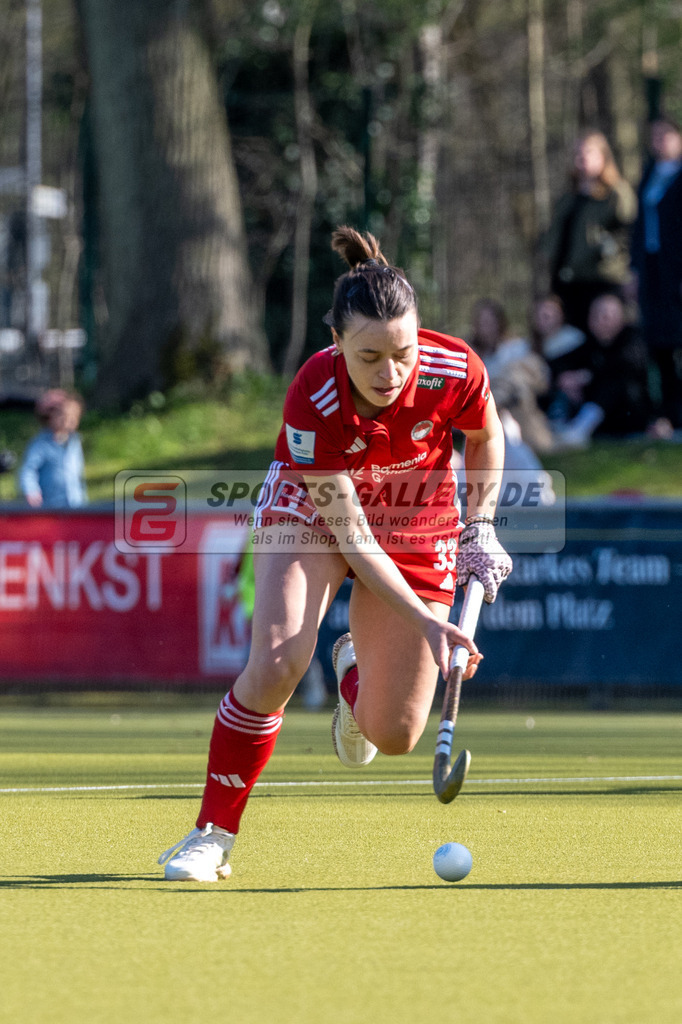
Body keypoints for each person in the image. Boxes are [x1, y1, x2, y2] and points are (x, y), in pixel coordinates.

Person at [158, 226, 513, 882]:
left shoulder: (455, 368)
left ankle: (355, 680)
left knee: (397, 734)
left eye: (402, 352)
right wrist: (429, 620)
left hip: (416, 514)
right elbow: (351, 538)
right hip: (315, 513)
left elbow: (485, 437)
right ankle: (212, 834)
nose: (391, 373)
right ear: (338, 345)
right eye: (370, 356)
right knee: (276, 664)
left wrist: (481, 527)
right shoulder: (313, 396)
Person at [542, 130, 637, 333]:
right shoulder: (568, 198)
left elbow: (631, 232)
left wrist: (619, 261)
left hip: (604, 281)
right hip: (568, 283)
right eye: (578, 153)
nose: (582, 158)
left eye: (589, 152)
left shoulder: (617, 194)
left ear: (603, 156)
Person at [553, 292, 665, 448]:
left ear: (620, 317)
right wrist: (566, 378)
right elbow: (558, 362)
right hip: (605, 421)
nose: (600, 320)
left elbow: (626, 364)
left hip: (632, 414)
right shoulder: (591, 345)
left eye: (606, 315)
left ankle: (580, 429)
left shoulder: (633, 339)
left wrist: (587, 376)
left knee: (616, 381)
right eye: (596, 315)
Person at [630, 116, 682, 428]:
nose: (659, 141)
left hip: (676, 272)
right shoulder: (649, 174)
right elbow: (639, 227)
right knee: (658, 341)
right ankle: (667, 413)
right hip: (652, 272)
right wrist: (634, 270)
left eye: (665, 135)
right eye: (654, 136)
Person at [468, 298, 554, 453]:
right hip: (493, 402)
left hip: (515, 401)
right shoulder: (474, 354)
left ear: (500, 323)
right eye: (482, 323)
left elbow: (535, 374)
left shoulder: (517, 348)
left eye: (490, 322)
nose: (486, 328)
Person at [19, 390, 88, 508]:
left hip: (74, 502)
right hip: (50, 504)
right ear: (49, 417)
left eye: (74, 416)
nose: (69, 420)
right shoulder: (41, 444)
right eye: (63, 415)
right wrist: (31, 491)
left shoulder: (74, 442)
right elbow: (29, 470)